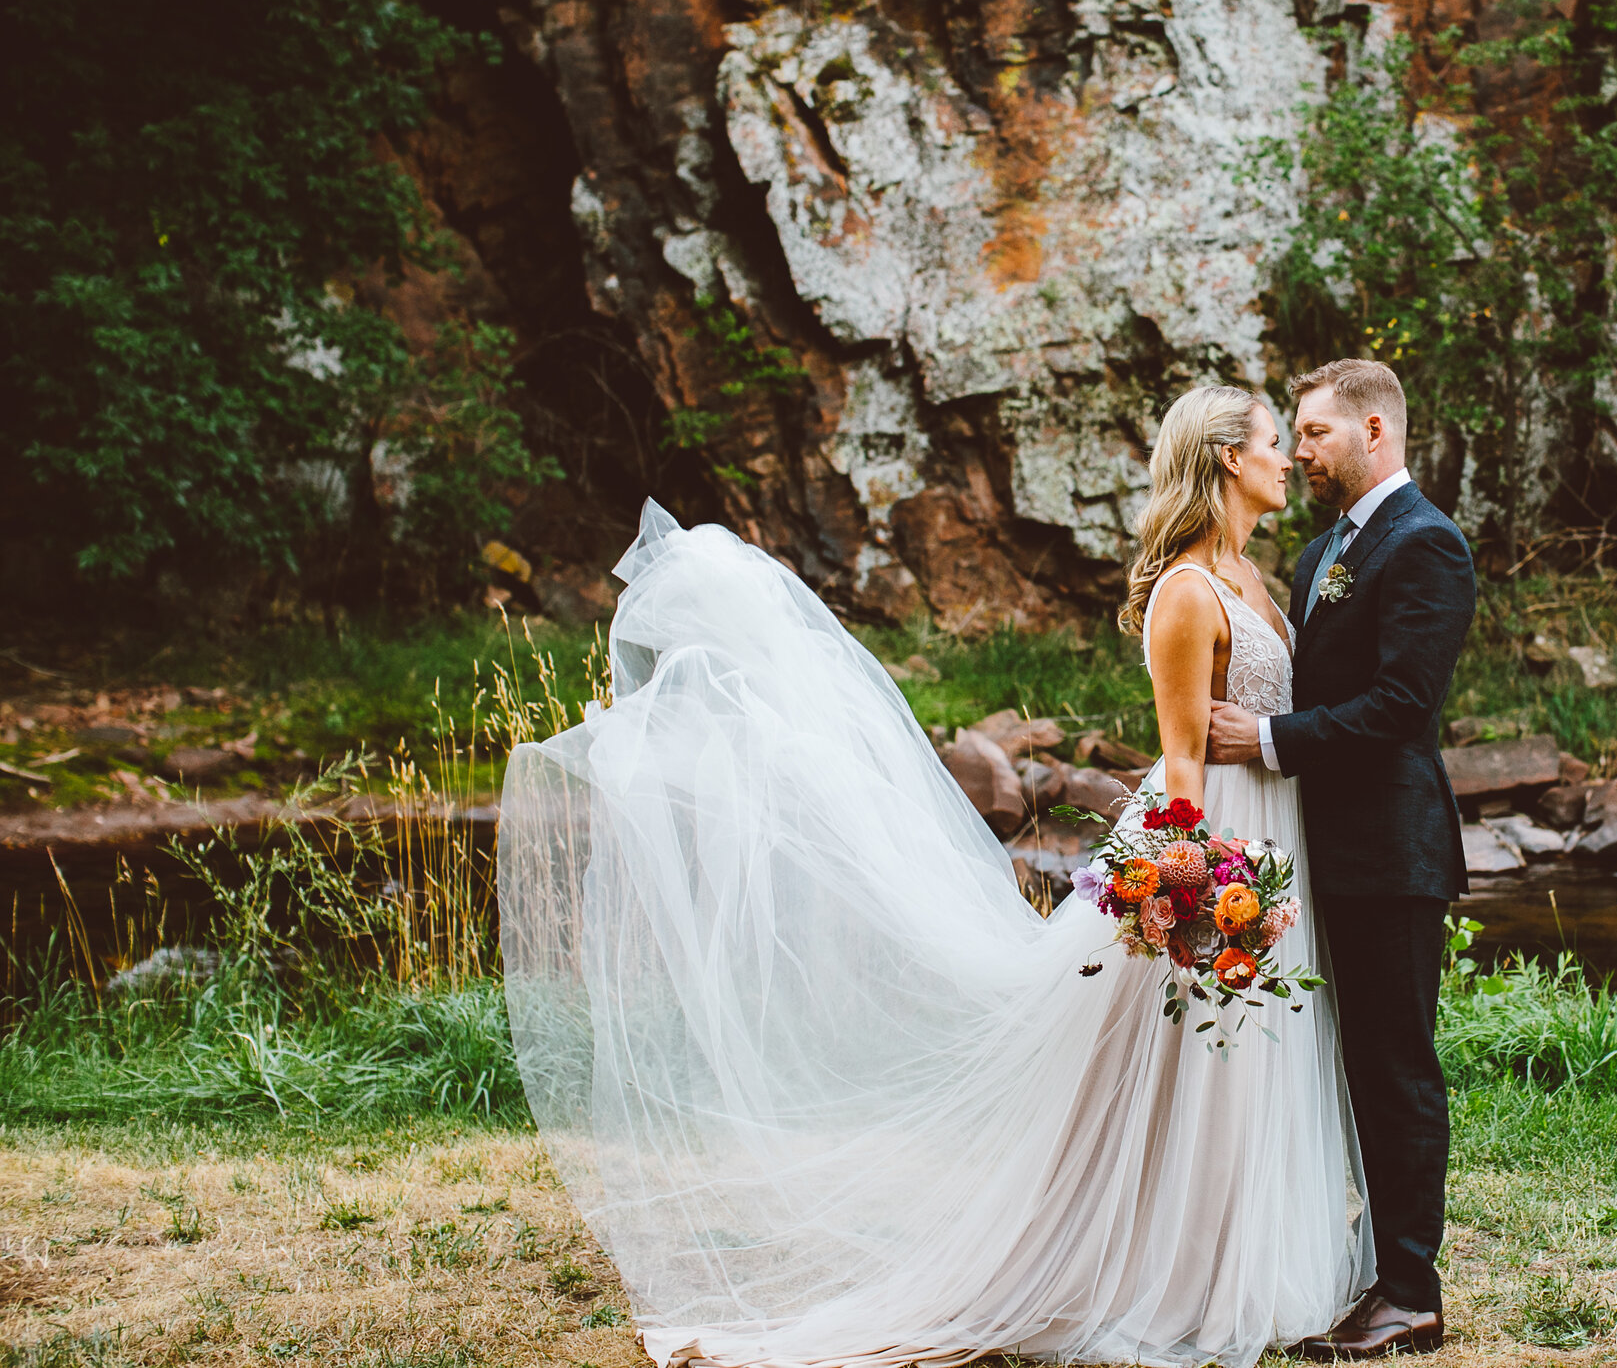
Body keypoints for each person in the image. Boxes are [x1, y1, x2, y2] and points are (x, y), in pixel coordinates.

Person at [499, 384, 1368, 1368]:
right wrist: (1190, 895)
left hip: (1270, 842)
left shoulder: (1258, 576)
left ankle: (1244, 1266)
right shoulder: (1185, 590)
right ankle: (1181, 1283)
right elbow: (1177, 768)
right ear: (1223, 459)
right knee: (1202, 1076)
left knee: (1251, 1071)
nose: (1285, 457)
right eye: (1269, 440)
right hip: (1208, 854)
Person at [1207, 359, 1474, 1361]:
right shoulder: (1325, 548)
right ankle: (1355, 1267)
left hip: (1390, 854)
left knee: (1394, 1068)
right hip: (1316, 852)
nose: (1301, 451)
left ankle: (1410, 1290)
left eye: (1314, 433)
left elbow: (1402, 707)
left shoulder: (1427, 545)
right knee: (1340, 1068)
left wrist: (1266, 739)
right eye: (1297, 436)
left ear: (1374, 429)